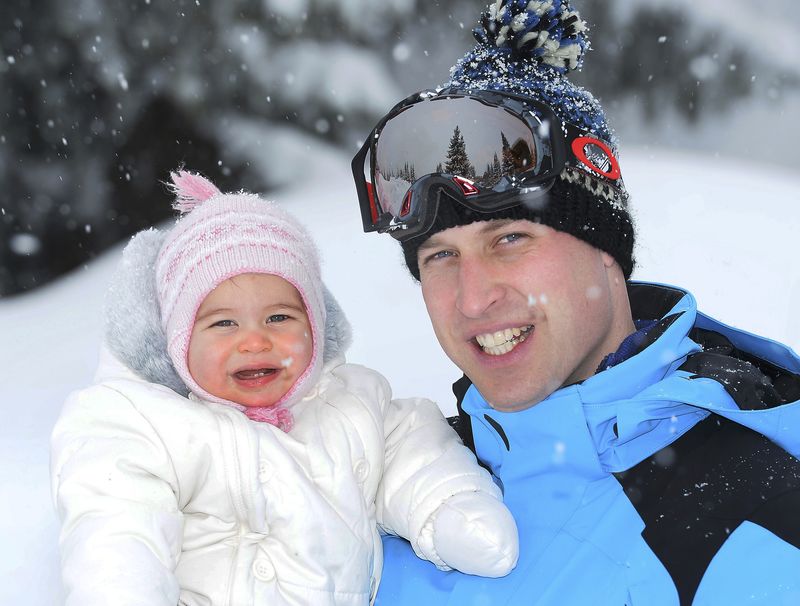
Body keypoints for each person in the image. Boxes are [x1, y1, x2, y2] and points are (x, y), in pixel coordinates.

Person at [352, 1, 800, 604]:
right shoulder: (395, 487)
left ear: (604, 252)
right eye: (440, 257)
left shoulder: (754, 520)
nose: (474, 298)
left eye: (510, 239)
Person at [50, 170, 519, 606]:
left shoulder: (352, 404)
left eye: (279, 317)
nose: (255, 340)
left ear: (315, 326)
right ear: (179, 341)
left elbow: (414, 452)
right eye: (223, 323)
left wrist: (450, 507)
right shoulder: (148, 424)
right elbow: (117, 533)